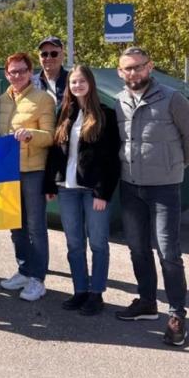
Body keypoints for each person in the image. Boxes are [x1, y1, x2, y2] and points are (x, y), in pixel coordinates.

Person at [114, 46, 189, 346]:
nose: (133, 73)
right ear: (119, 72)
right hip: (131, 186)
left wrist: (174, 166)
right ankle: (146, 302)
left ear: (150, 67)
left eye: (138, 67)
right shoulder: (119, 101)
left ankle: (177, 314)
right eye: (127, 68)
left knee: (168, 252)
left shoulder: (171, 99)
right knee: (138, 248)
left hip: (164, 188)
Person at [44, 65, 120, 315]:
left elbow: (111, 159)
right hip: (67, 189)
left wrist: (103, 193)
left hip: (92, 191)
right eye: (73, 82)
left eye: (81, 81)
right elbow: (54, 153)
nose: (77, 86)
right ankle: (80, 290)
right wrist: (50, 183)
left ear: (90, 84)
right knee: (74, 243)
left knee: (98, 243)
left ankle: (96, 293)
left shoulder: (105, 115)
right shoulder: (63, 113)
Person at [0, 52, 55, 302]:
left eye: (22, 71)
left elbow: (50, 136)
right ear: (6, 74)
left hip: (33, 170)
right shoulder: (0, 100)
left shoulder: (43, 99)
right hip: (8, 172)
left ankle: (37, 278)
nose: (18, 75)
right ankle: (24, 269)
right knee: (16, 225)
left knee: (35, 227)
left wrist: (31, 134)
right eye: (13, 71)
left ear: (30, 72)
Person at [33, 36, 69, 105]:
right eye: (44, 54)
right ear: (39, 57)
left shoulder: (72, 82)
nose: (48, 58)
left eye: (54, 54)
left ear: (62, 55)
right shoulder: (30, 83)